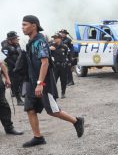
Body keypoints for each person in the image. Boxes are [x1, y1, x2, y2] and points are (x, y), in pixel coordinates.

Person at [21, 15, 85, 147]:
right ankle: (38, 137)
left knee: (52, 110)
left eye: (25, 25)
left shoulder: (40, 41)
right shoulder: (30, 42)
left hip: (43, 83)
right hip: (32, 81)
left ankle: (76, 121)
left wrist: (40, 84)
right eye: (22, 25)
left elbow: (44, 63)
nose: (22, 27)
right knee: (30, 109)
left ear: (34, 26)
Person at [1, 31, 24, 105]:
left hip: (20, 67)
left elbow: (20, 54)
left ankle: (23, 94)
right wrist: (15, 66)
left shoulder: (17, 45)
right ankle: (18, 100)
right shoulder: (5, 48)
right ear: (10, 39)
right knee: (15, 84)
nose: (16, 39)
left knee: (22, 82)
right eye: (15, 38)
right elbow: (6, 59)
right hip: (13, 69)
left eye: (16, 38)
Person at [50, 33, 70, 98]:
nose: (54, 39)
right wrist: (49, 48)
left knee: (63, 80)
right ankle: (53, 94)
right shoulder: (51, 46)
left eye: (56, 38)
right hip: (55, 66)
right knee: (54, 81)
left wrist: (69, 62)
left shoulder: (64, 46)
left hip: (63, 66)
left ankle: (63, 93)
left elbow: (67, 54)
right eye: (54, 38)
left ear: (60, 38)